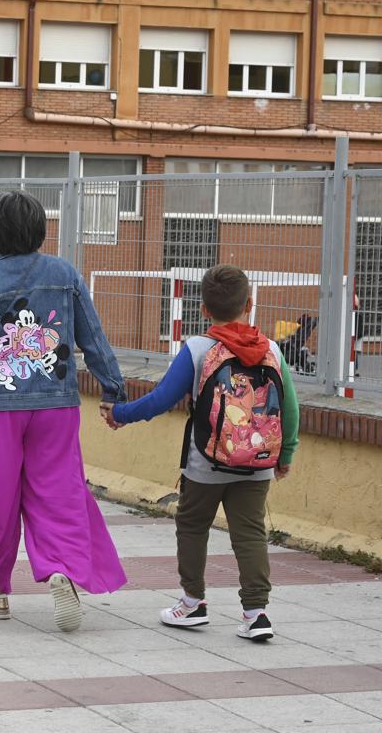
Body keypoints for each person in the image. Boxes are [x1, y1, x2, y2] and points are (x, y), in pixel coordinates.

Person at [0, 190, 127, 633]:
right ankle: (64, 569)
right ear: (40, 228)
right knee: (59, 490)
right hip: (55, 405)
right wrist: (113, 390)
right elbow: (92, 337)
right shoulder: (66, 274)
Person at [109, 265, 299, 643]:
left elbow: (161, 399)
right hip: (258, 462)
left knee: (193, 527)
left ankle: (193, 602)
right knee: (250, 533)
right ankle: (256, 613)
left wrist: (119, 414)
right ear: (248, 304)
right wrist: (286, 453)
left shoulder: (197, 349)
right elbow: (290, 407)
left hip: (205, 463)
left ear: (202, 310)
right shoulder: (272, 350)